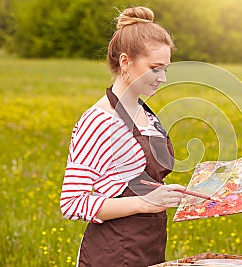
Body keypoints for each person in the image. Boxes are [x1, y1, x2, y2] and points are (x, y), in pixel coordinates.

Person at [59, 6, 185, 266]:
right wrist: (144, 203)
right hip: (113, 254)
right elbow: (72, 203)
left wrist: (172, 195)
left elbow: (142, 181)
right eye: (155, 68)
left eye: (165, 69)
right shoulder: (99, 121)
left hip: (149, 248)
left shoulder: (145, 114)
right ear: (125, 62)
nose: (162, 78)